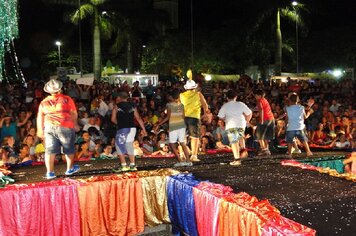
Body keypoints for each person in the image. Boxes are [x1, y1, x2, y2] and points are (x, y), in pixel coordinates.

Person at [37, 79, 80, 179]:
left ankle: (50, 173)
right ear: (60, 89)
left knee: (50, 151)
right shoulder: (67, 99)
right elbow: (74, 113)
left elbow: (40, 117)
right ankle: (69, 169)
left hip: (49, 127)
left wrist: (40, 130)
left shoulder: (44, 102)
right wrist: (75, 124)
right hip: (65, 126)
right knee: (69, 149)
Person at [111, 91, 147, 171]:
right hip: (132, 128)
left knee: (118, 145)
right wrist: (144, 129)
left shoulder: (117, 106)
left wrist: (120, 123)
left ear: (119, 98)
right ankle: (132, 165)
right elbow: (138, 118)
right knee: (129, 145)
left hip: (123, 128)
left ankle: (124, 165)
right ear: (127, 98)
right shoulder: (133, 106)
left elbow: (113, 119)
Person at [155, 89, 191, 166]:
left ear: (171, 96)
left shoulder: (169, 105)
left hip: (173, 126)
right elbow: (183, 116)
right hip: (181, 125)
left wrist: (159, 124)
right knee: (182, 143)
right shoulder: (181, 105)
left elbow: (168, 117)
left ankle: (180, 161)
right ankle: (188, 161)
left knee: (172, 144)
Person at [218, 90, 252, 165]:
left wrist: (223, 123)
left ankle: (237, 159)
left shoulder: (225, 106)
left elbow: (220, 117)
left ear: (227, 98)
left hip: (231, 125)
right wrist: (247, 121)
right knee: (240, 137)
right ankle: (243, 150)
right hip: (241, 124)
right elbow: (249, 113)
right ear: (236, 97)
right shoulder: (240, 104)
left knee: (234, 142)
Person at [180, 74, 208, 162]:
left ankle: (182, 154)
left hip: (183, 117)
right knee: (194, 137)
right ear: (194, 87)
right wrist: (205, 114)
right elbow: (205, 105)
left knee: (182, 137)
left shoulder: (181, 95)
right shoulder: (198, 94)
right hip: (194, 117)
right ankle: (194, 156)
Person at [285, 94, 314, 158]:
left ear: (290, 100)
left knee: (289, 141)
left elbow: (286, 118)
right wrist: (309, 112)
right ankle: (308, 152)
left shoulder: (288, 108)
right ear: (297, 100)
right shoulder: (301, 107)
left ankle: (289, 154)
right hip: (299, 127)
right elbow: (305, 117)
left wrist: (286, 125)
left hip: (291, 127)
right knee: (304, 140)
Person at [254, 89, 275, 156]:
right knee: (266, 136)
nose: (255, 97)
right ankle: (267, 150)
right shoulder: (265, 100)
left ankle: (264, 149)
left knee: (259, 136)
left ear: (259, 95)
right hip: (271, 118)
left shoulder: (259, 101)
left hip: (265, 119)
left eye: (256, 95)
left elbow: (261, 109)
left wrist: (262, 120)